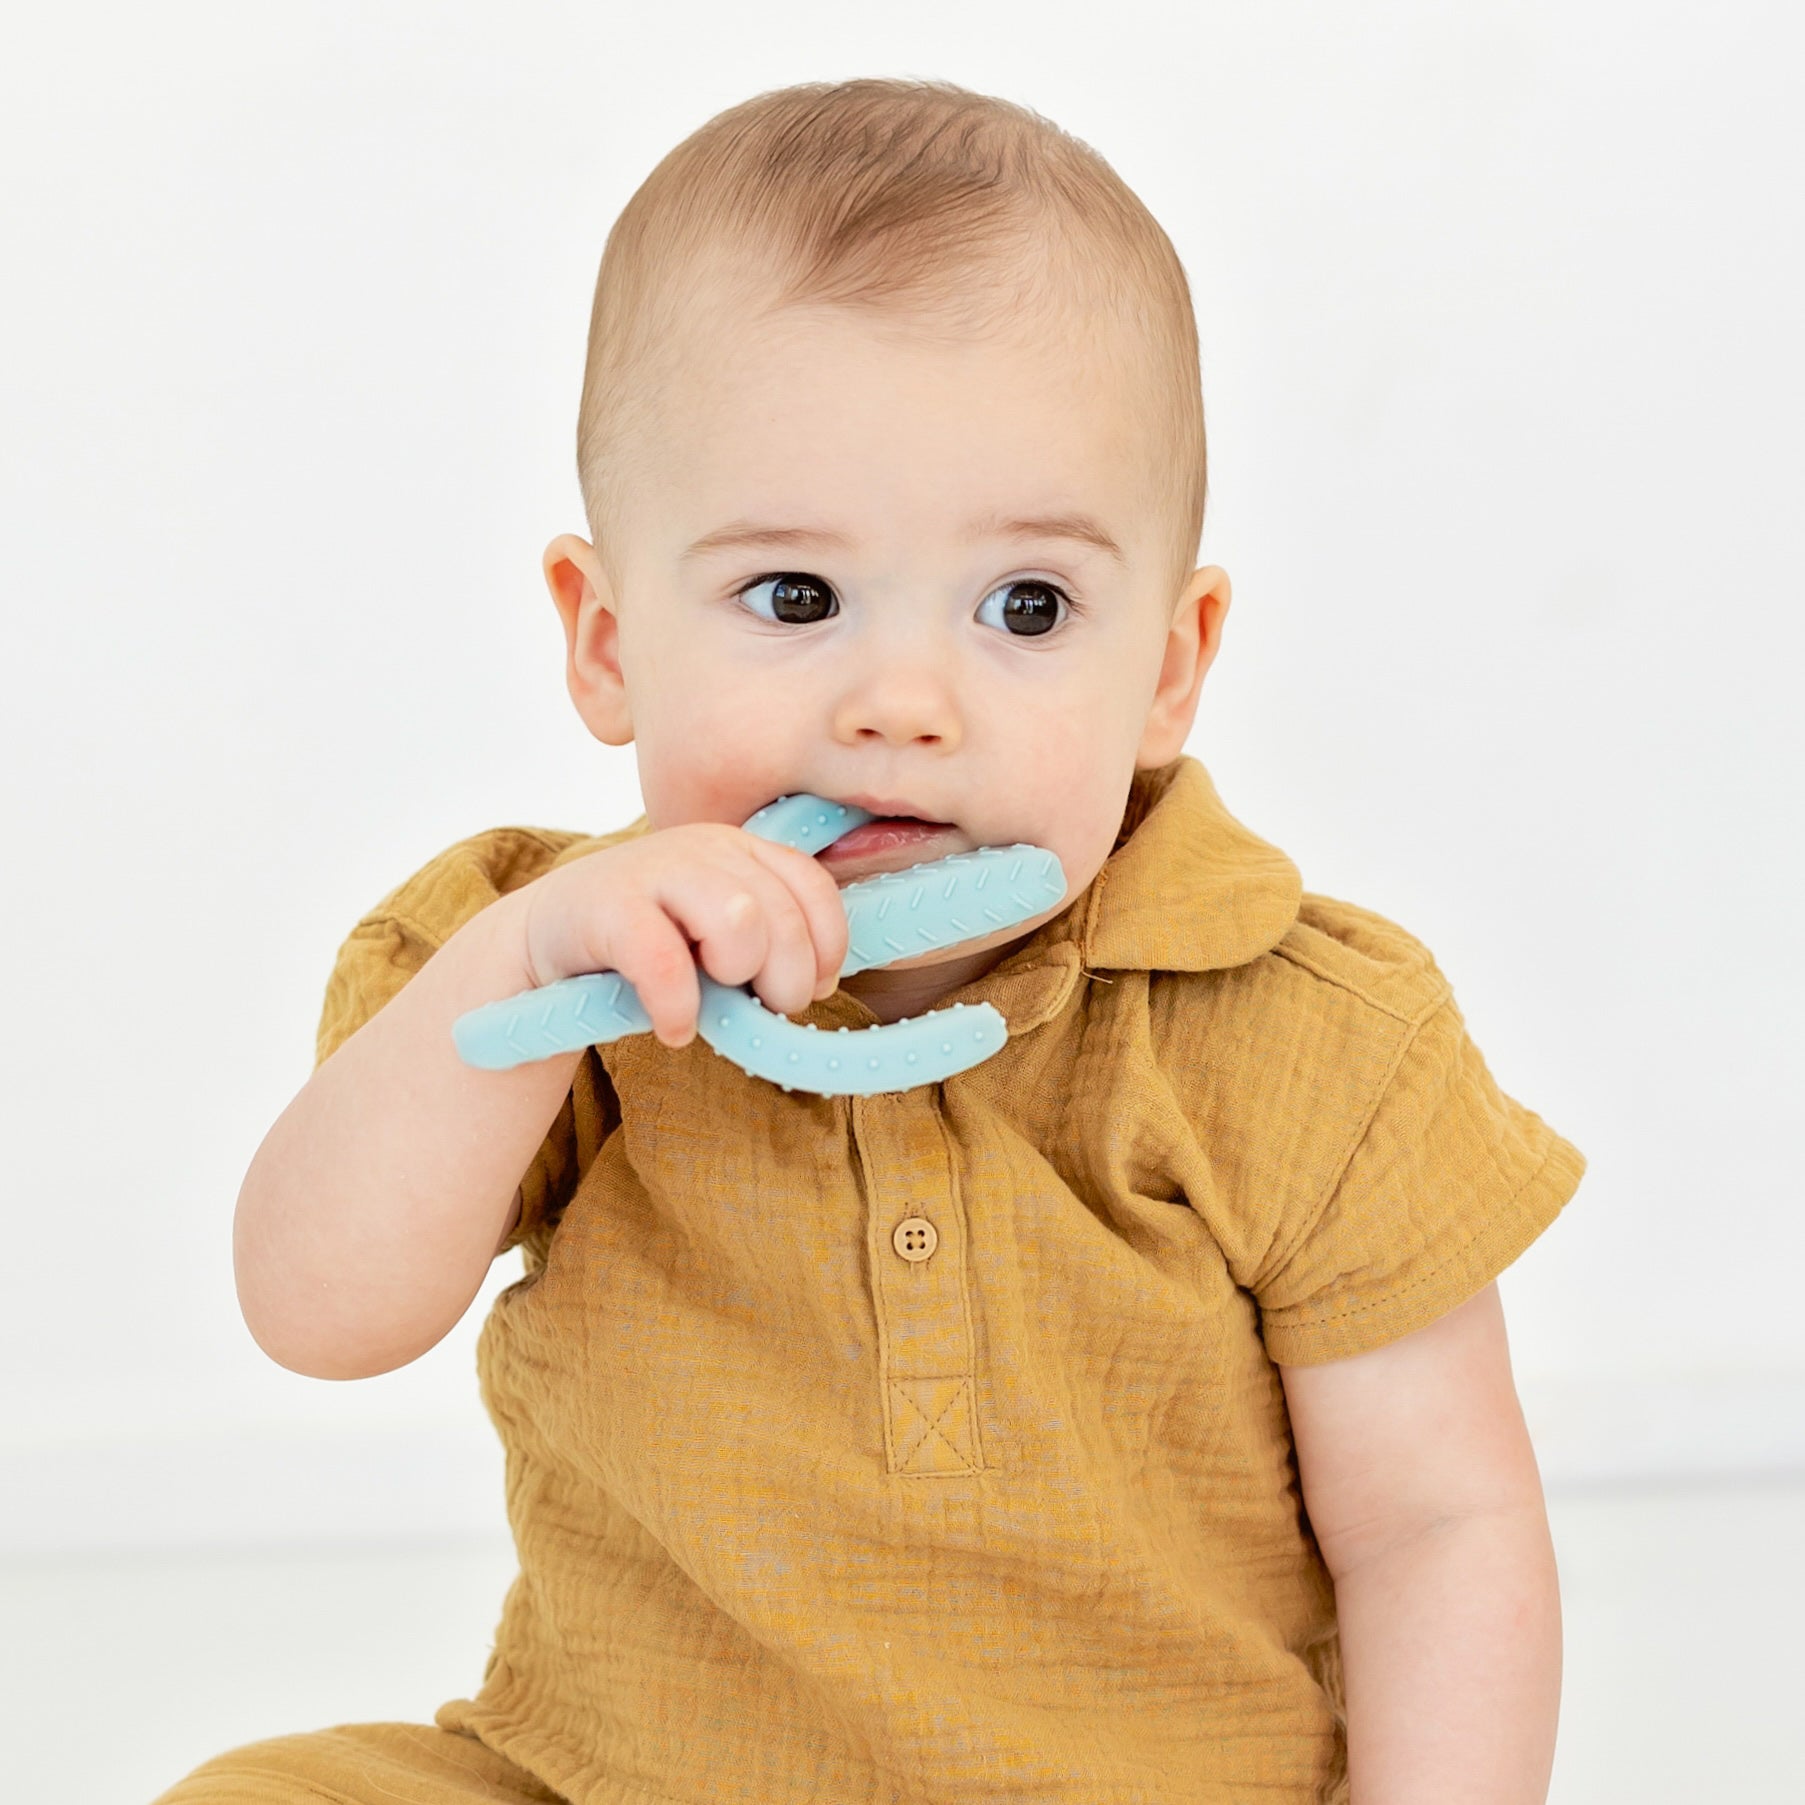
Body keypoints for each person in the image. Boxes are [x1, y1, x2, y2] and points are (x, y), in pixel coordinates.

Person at [154, 76, 1585, 1805]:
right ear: (605, 641)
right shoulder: (558, 979)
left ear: (1169, 666)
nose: (902, 703)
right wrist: (524, 979)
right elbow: (317, 1312)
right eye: (794, 599)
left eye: (1026, 607)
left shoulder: (1307, 1029)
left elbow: (1439, 1520)